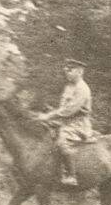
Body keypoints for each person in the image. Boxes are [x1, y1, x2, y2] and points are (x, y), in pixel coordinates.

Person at [37, 58, 94, 186]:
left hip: (78, 125)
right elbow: (63, 107)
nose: (67, 72)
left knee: (61, 141)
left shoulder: (82, 88)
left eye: (70, 70)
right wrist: (51, 116)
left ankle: (71, 175)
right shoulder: (69, 86)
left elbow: (69, 110)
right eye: (66, 70)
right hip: (65, 122)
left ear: (79, 72)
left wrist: (48, 116)